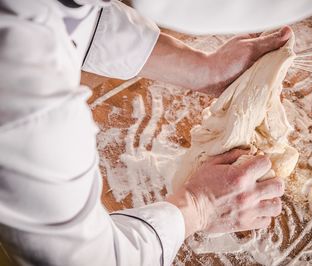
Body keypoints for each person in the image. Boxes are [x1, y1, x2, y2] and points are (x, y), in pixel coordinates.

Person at [0, 0, 290, 265]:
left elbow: (68, 14)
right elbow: (78, 259)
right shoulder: (24, 100)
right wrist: (200, 206)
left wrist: (203, 69)